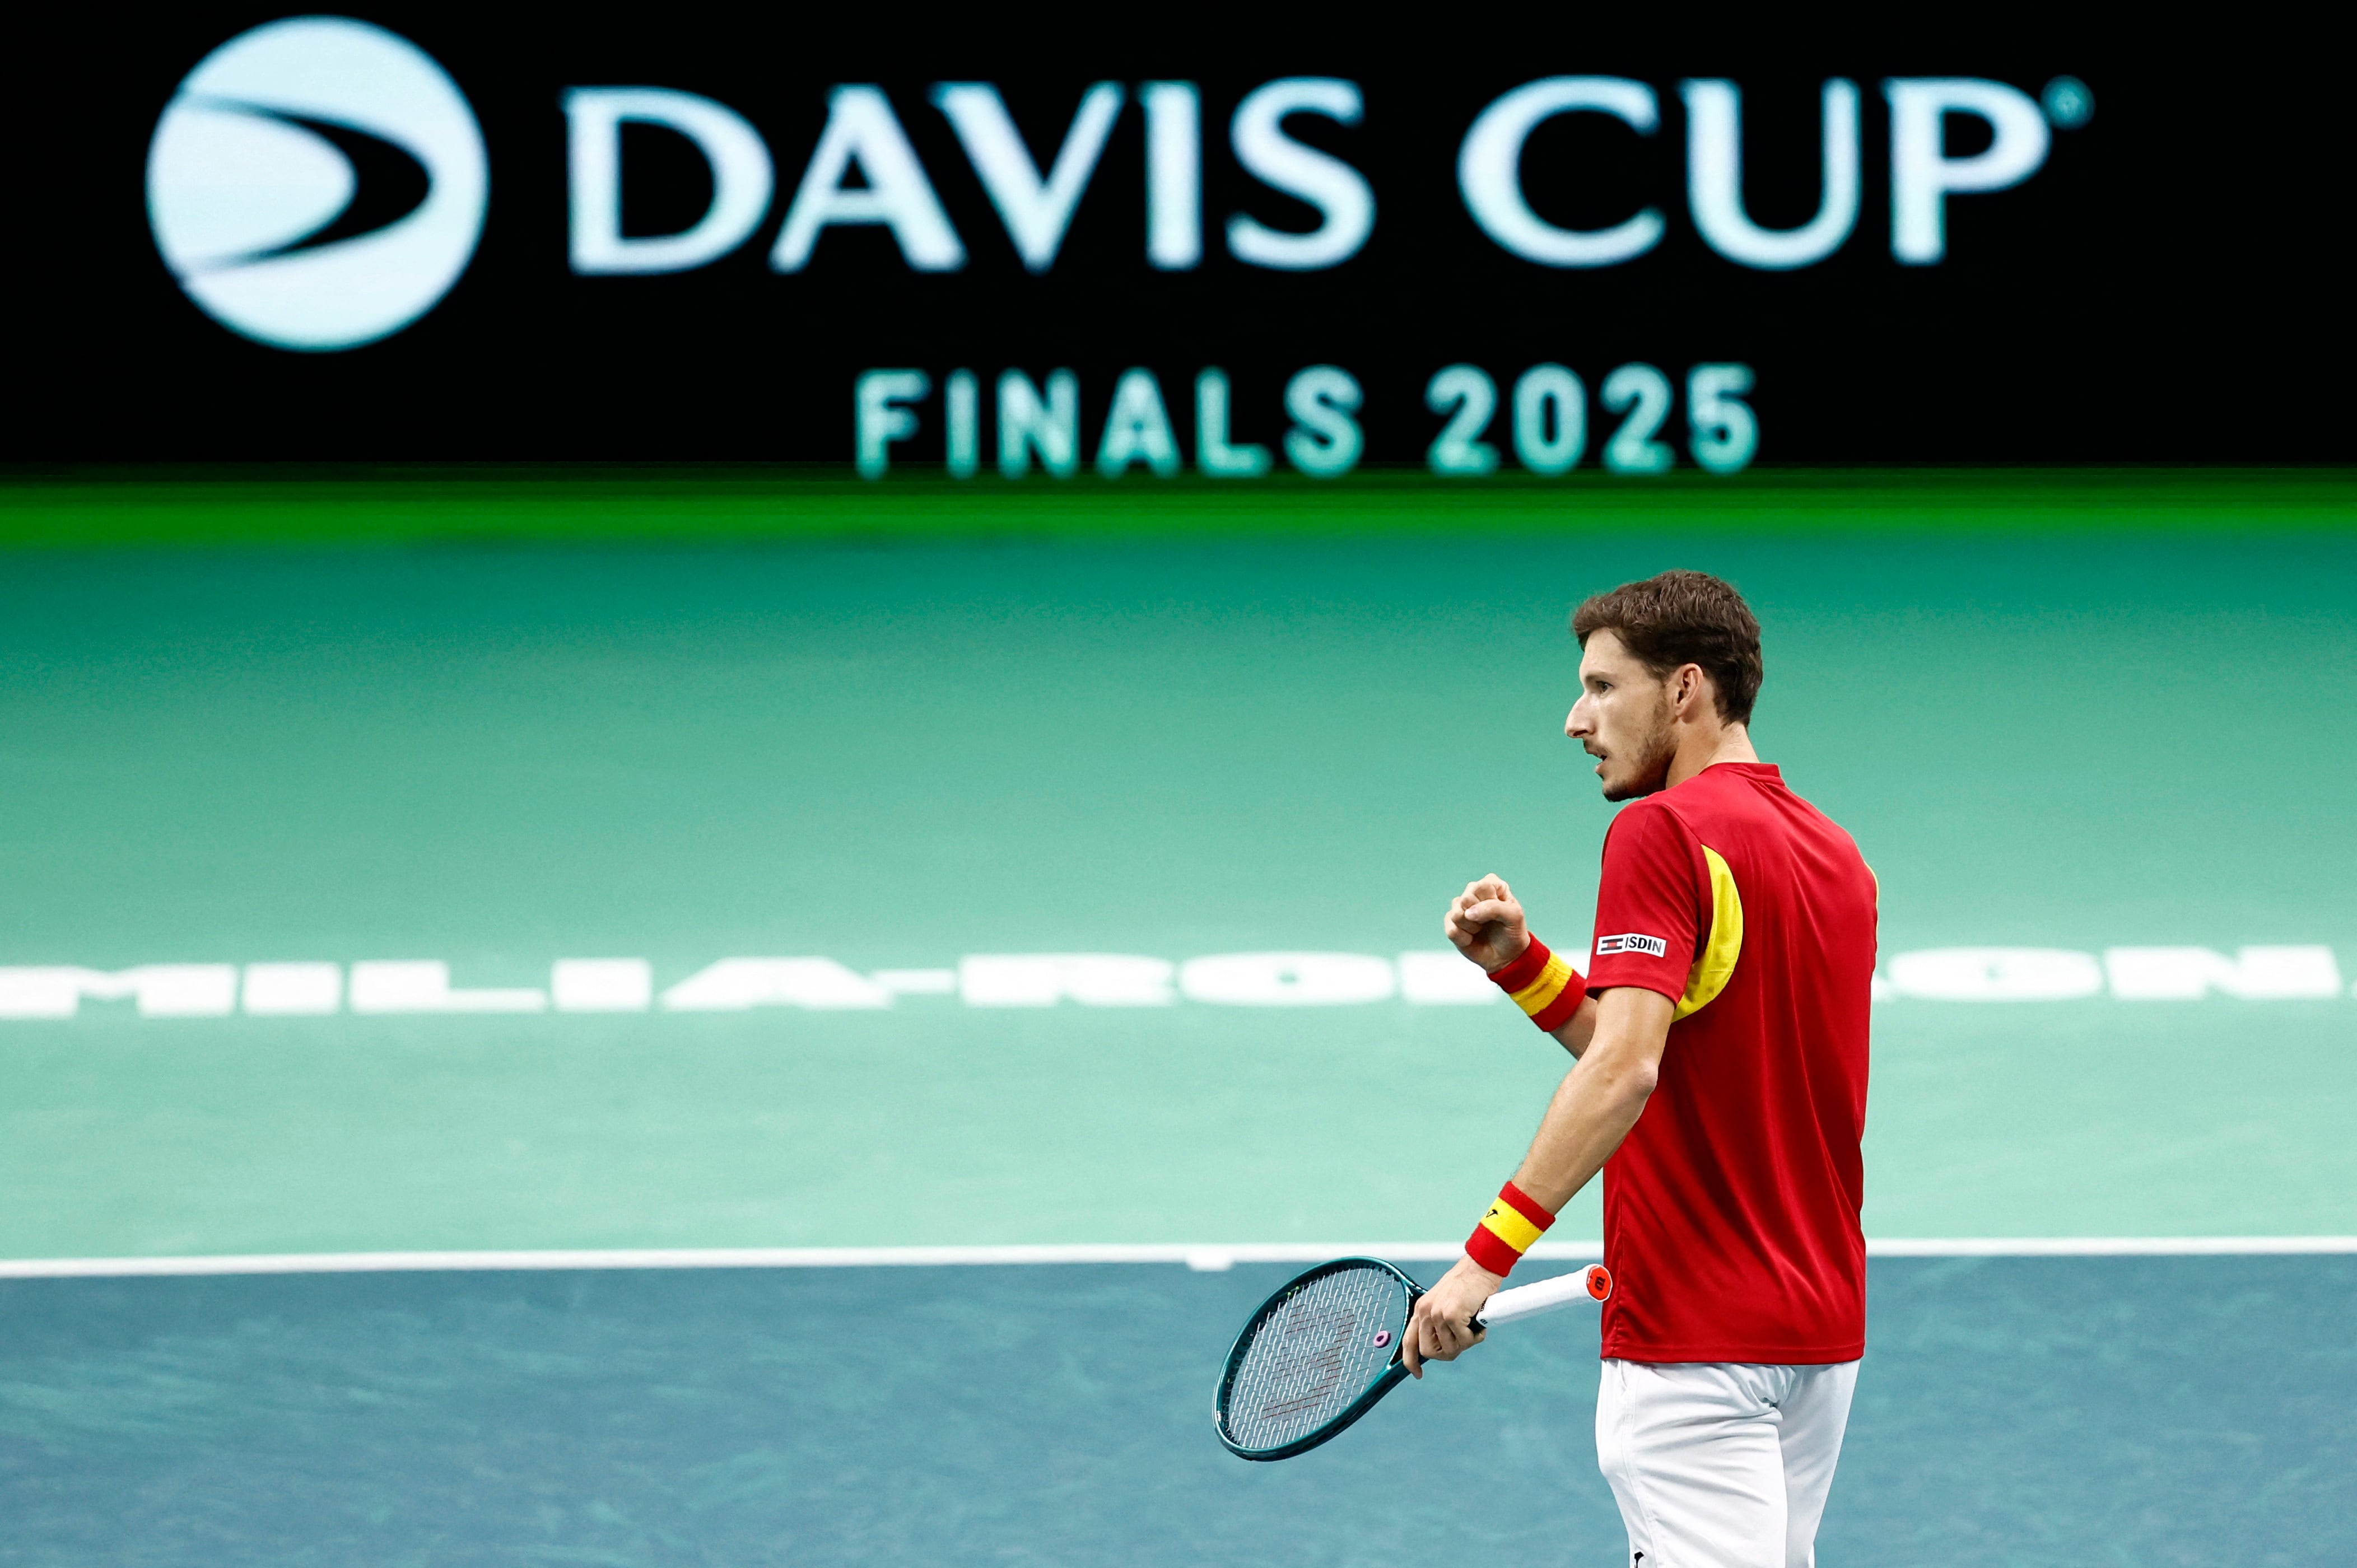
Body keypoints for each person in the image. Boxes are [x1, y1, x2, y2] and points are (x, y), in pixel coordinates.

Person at [1410, 570, 1876, 1568]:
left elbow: (1625, 1074)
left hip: (1693, 1344)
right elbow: (1681, 1061)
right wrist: (1525, 971)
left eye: (1602, 686)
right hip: (1818, 1336)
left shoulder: (1659, 832)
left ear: (1684, 690)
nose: (1577, 720)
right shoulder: (1840, 859)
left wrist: (1482, 1262)